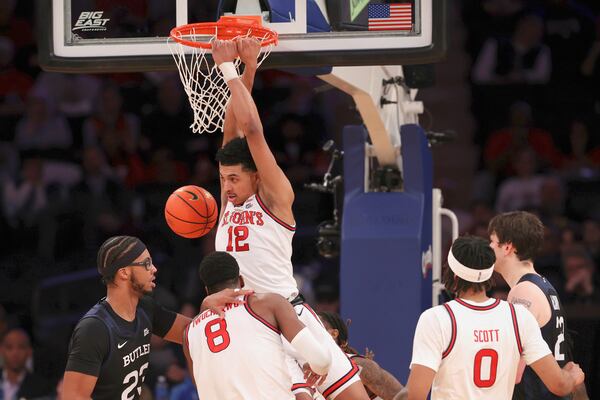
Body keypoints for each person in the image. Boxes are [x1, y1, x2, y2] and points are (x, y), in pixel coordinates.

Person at [211, 38, 368, 400]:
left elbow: (251, 131)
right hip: (255, 328)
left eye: (233, 178)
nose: (226, 187)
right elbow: (234, 129)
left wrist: (229, 69)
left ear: (256, 175)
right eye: (222, 179)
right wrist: (246, 70)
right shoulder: (230, 199)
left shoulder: (276, 197)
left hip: (293, 316)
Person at [62, 235, 250, 399]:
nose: (154, 269)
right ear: (124, 272)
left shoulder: (145, 308)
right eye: (146, 264)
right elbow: (73, 396)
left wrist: (205, 306)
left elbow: (192, 335)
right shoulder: (94, 328)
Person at [404, 236, 584, 400]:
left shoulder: (436, 319)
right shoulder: (518, 316)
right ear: (490, 274)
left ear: (454, 276)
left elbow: (414, 396)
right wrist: (573, 376)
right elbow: (560, 385)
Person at [185, 251, 333, 399]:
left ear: (206, 291)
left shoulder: (189, 333)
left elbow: (202, 384)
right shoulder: (268, 303)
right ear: (241, 280)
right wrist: (316, 366)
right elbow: (321, 360)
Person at [488, 211, 590, 399]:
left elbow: (513, 372)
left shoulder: (523, 292)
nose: (489, 247)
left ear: (507, 247)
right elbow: (567, 363)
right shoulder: (543, 286)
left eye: (493, 242)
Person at [318, 311, 405, 400]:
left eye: (316, 328)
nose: (311, 334)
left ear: (334, 334)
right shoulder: (307, 370)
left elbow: (403, 396)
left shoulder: (360, 365)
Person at [0, 328, 54, 399]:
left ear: (29, 351)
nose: (15, 353)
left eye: (21, 347)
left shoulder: (41, 387)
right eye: (9, 347)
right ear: (1, 350)